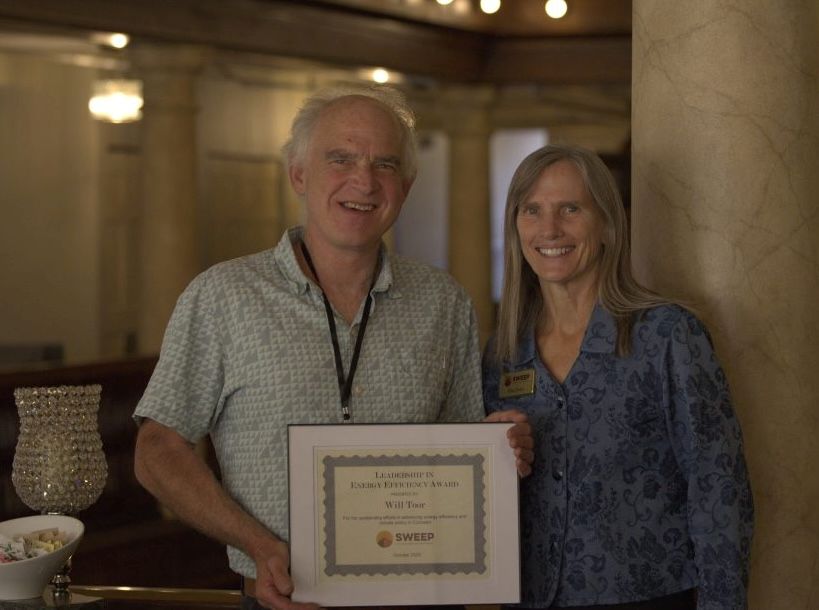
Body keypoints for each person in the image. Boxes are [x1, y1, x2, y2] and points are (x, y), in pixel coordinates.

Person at [133, 85, 533, 610]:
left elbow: (461, 453)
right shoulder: (222, 297)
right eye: (340, 159)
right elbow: (156, 451)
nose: (364, 181)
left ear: (405, 186)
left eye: (385, 164)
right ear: (299, 174)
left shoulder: (445, 302)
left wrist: (502, 445)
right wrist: (257, 544)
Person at [482, 145, 753, 610]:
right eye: (532, 210)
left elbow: (719, 488)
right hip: (529, 598)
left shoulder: (667, 335)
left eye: (571, 209)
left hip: (648, 597)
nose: (549, 229)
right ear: (515, 227)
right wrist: (490, 454)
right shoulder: (504, 354)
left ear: (607, 224)